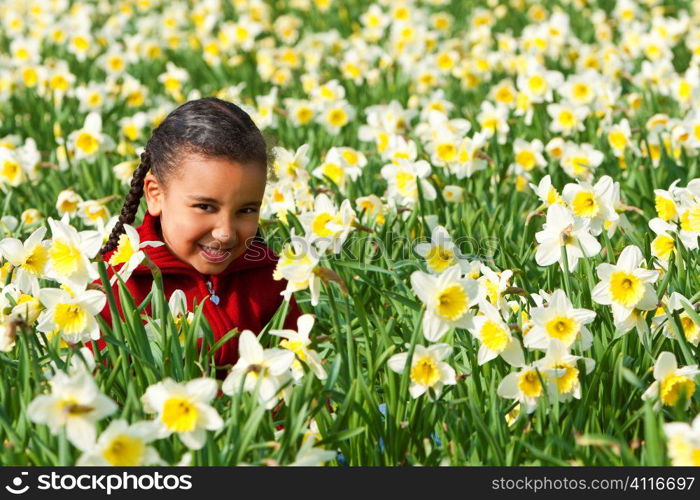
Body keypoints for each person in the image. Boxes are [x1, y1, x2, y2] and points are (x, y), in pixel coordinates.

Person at [93, 97, 301, 375]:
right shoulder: (117, 287)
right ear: (155, 194)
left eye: (247, 210)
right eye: (205, 207)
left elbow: (299, 383)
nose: (225, 232)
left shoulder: (270, 279)